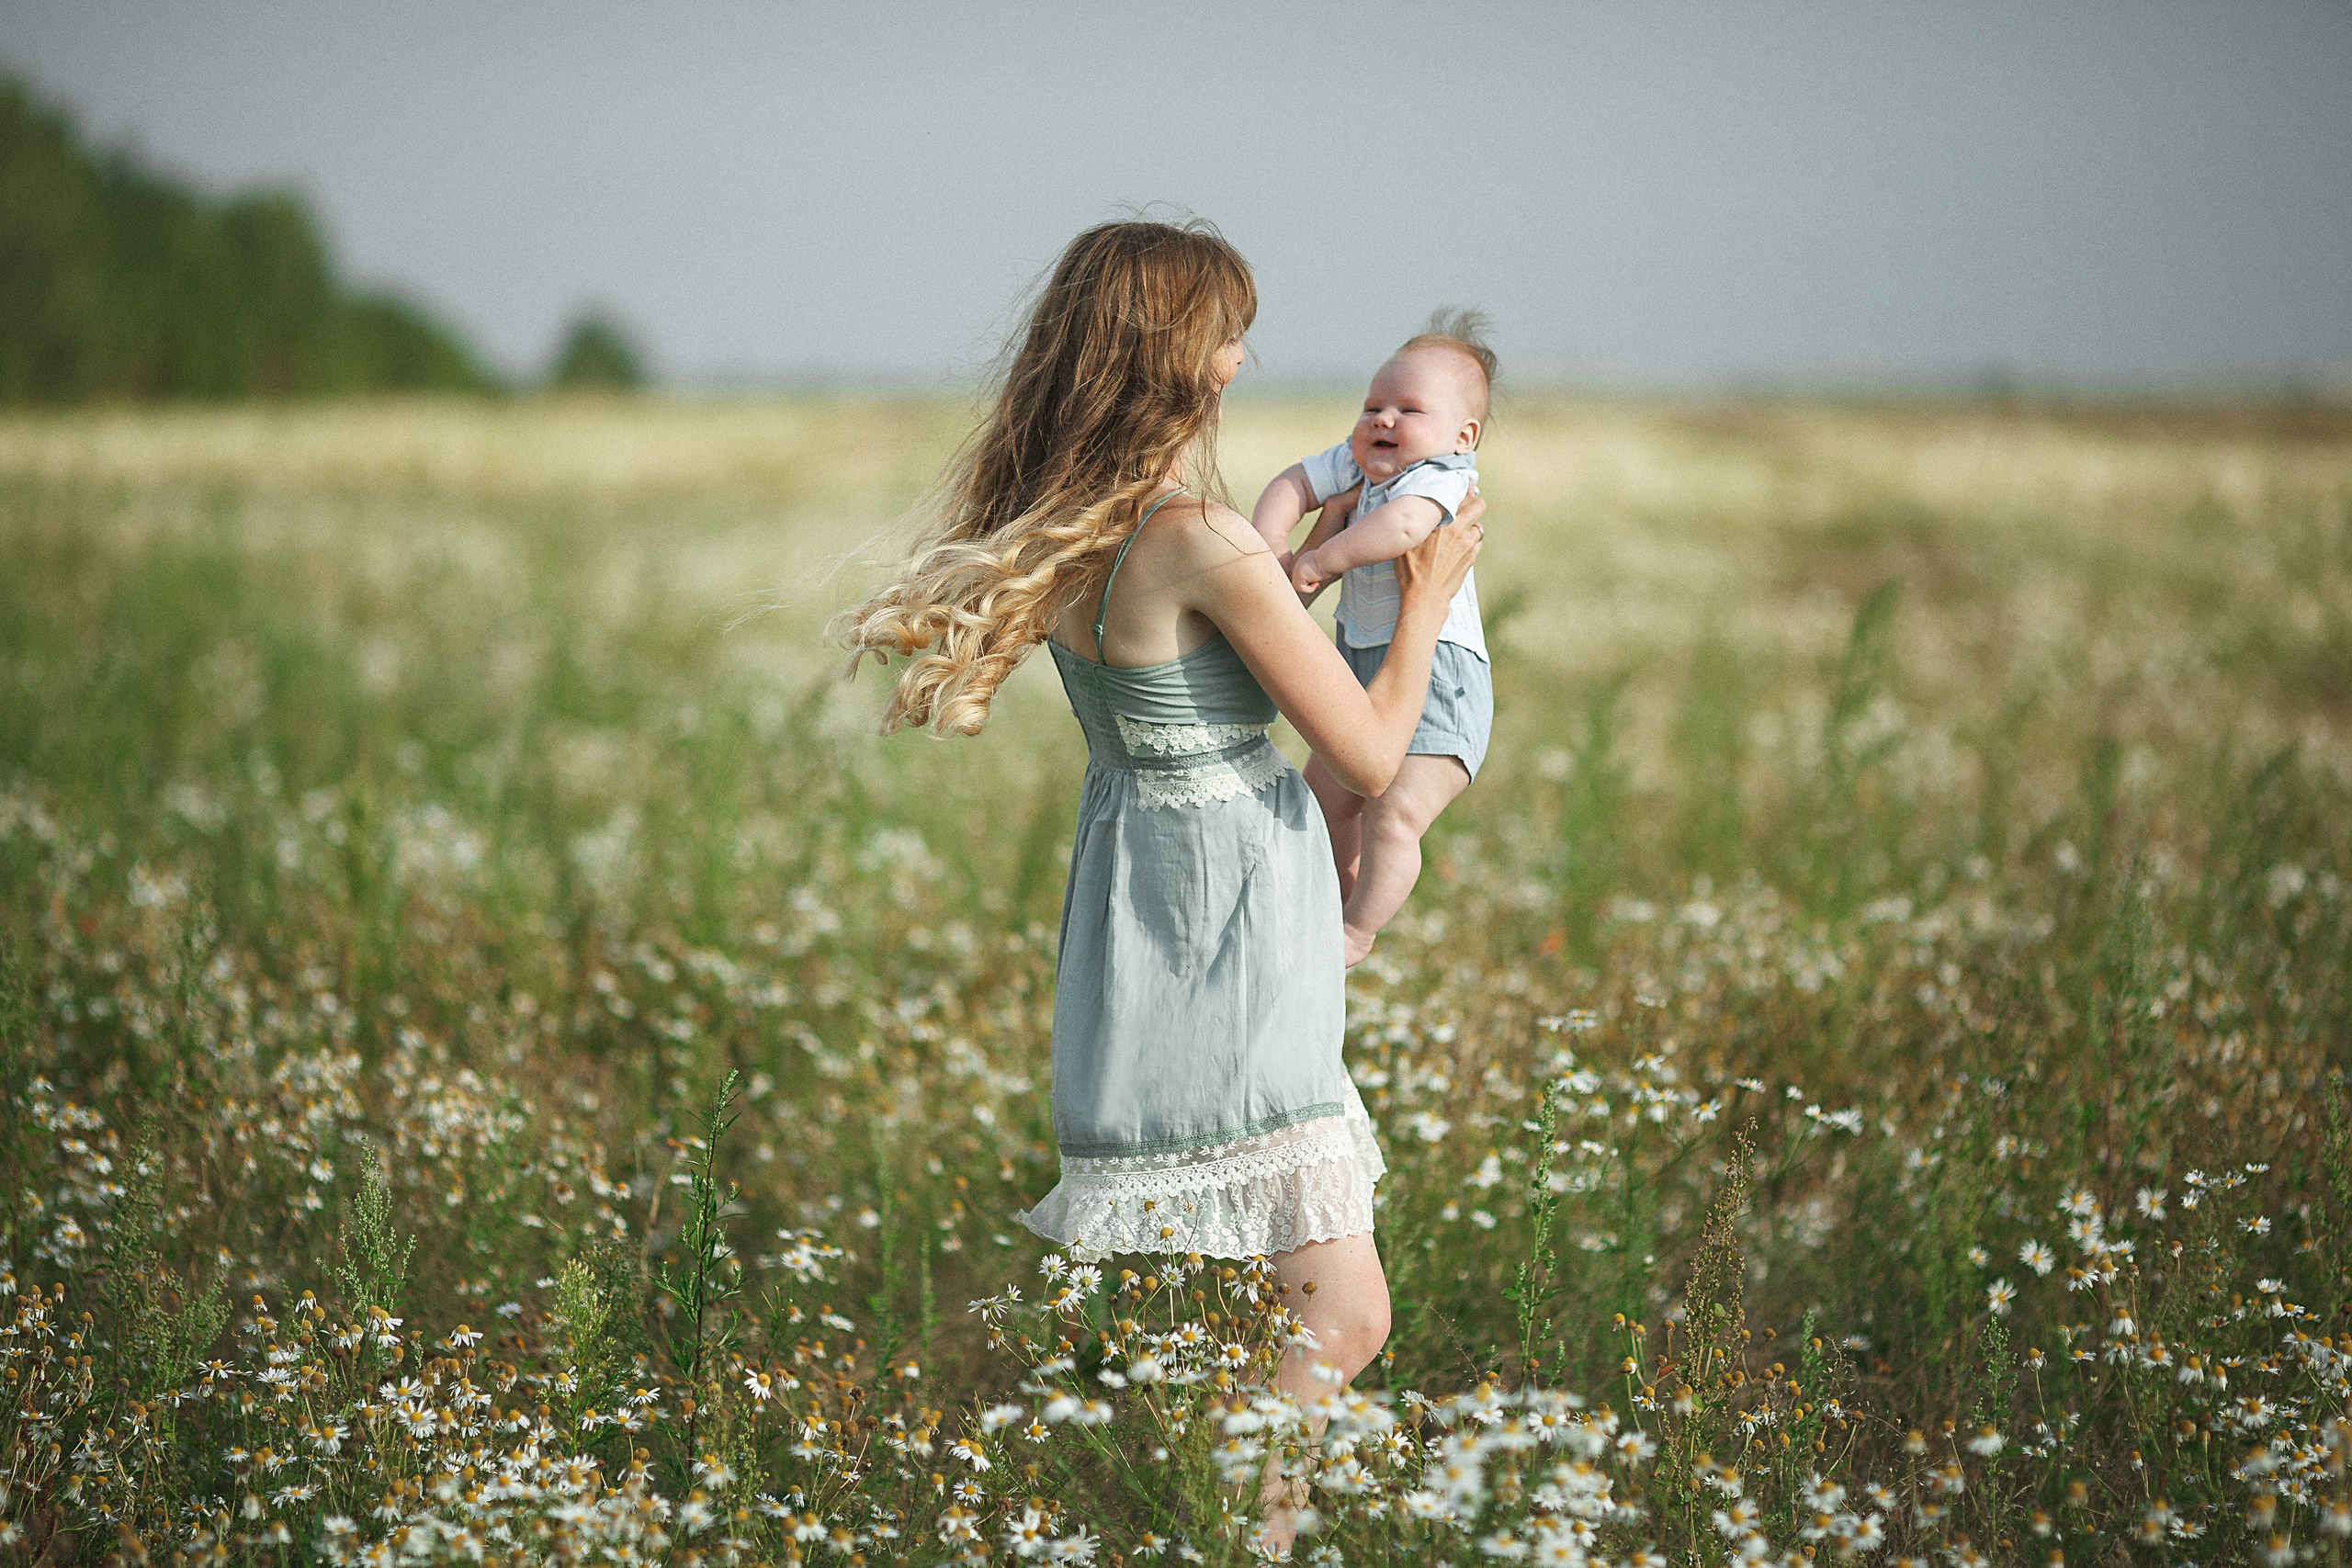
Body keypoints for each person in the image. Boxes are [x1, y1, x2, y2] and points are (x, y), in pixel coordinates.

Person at [835, 220, 1482, 1545]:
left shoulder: (1071, 531)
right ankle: (1244, 1533)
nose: (1246, 356)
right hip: (1232, 927)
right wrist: (1425, 593)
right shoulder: (1198, 540)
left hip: (1154, 915)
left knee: (1253, 1320)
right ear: (1183, 360)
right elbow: (1362, 746)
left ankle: (1226, 1523)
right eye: (1229, 330)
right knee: (1344, 1316)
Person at [1249, 313, 1497, 967]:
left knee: (1396, 814)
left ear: (1460, 435)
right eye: (1372, 405)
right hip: (1362, 662)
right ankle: (1337, 898)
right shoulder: (1358, 461)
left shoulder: (1441, 477)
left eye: (1409, 408)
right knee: (1323, 802)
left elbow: (1402, 530)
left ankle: (1358, 932)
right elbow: (1293, 482)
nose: (1383, 420)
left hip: (1439, 674)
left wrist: (1324, 559)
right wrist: (1272, 541)